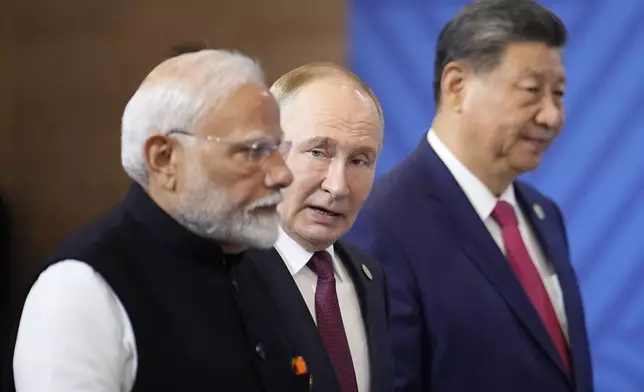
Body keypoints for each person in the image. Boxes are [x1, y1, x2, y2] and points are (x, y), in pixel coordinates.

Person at [4, 49, 312, 391]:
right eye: (254, 151)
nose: (283, 174)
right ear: (164, 158)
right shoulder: (80, 287)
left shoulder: (257, 270)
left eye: (277, 150)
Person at [345, 1, 594, 391]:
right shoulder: (383, 226)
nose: (551, 116)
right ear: (456, 86)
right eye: (531, 91)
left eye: (558, 93)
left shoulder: (544, 215)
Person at [244, 62, 393, 392]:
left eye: (359, 161)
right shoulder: (222, 276)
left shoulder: (370, 276)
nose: (338, 186)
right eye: (317, 152)